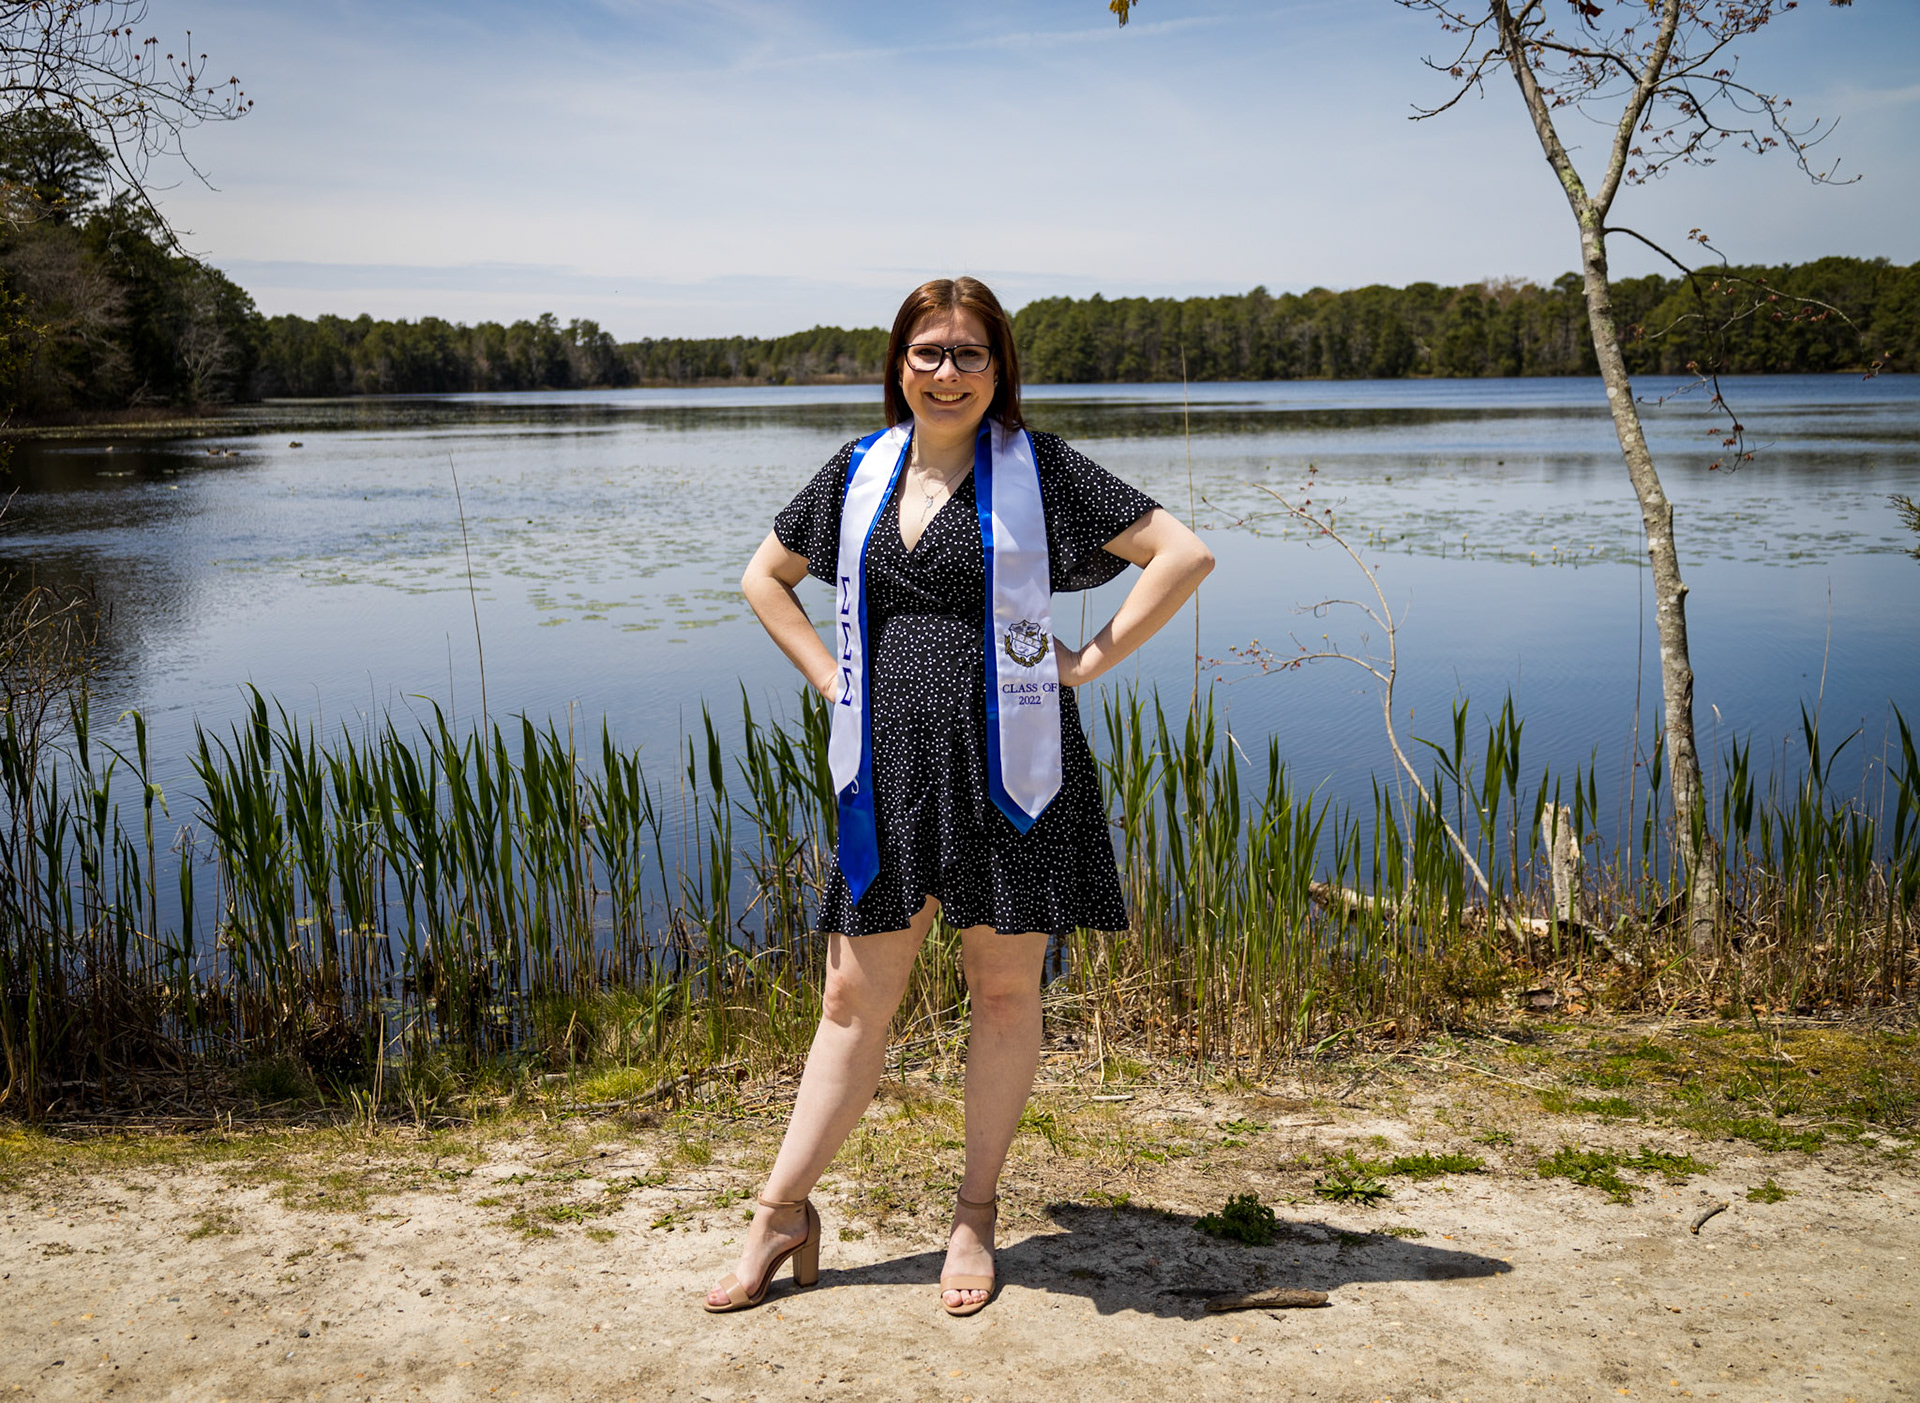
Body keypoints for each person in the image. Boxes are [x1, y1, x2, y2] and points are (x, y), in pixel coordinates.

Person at [712, 276, 1212, 1317]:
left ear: (999, 367)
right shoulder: (859, 469)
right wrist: (829, 675)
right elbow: (765, 576)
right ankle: (780, 1211)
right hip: (889, 765)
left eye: (970, 353)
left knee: (1004, 993)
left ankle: (975, 1213)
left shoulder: (1043, 469)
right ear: (900, 365)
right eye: (929, 352)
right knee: (851, 997)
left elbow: (1182, 552)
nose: (948, 372)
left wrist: (1088, 661)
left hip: (1012, 764)